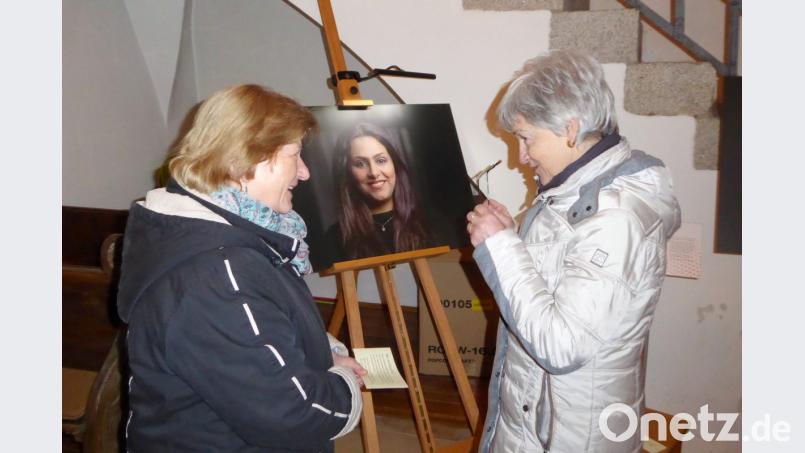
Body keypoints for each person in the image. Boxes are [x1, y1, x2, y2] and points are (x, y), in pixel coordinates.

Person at [116, 84, 366, 452]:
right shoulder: (217, 275)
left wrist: (321, 351)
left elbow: (261, 325)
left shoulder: (238, 236)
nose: (304, 172)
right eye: (293, 156)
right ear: (240, 162)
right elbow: (295, 414)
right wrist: (344, 381)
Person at [466, 50, 681, 453]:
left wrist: (502, 247)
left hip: (569, 436)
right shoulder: (573, 192)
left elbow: (561, 345)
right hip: (539, 420)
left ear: (570, 128)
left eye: (526, 139)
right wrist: (513, 237)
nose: (521, 157)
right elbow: (554, 284)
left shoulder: (617, 218)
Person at [327, 122, 428, 260]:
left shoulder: (431, 222)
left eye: (381, 160)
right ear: (347, 173)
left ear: (395, 164)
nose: (374, 173)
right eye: (360, 164)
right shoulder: (335, 238)